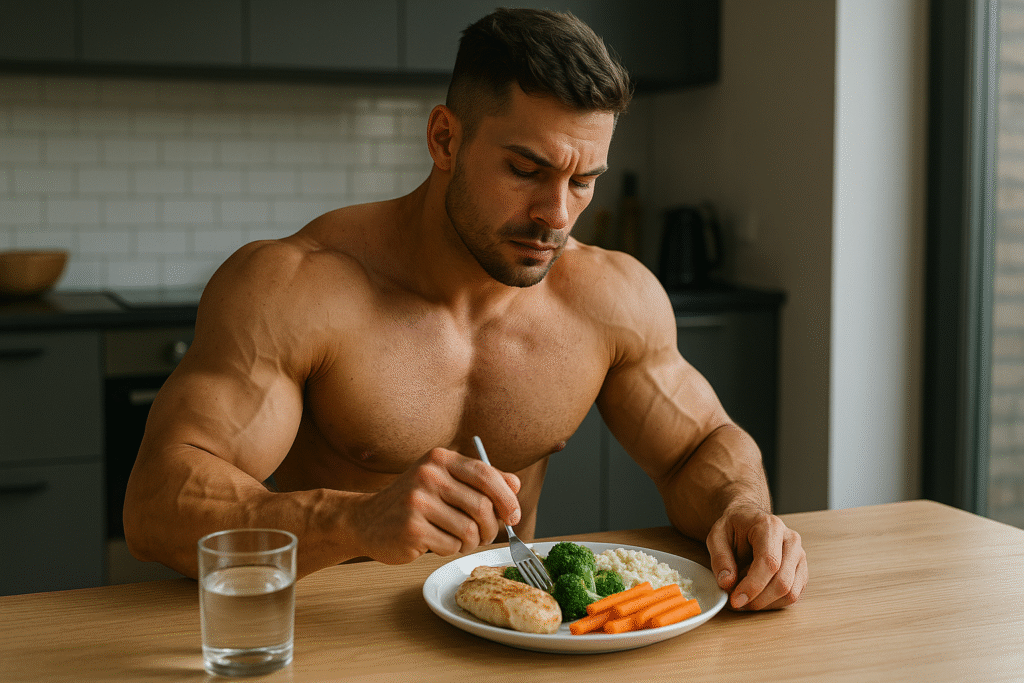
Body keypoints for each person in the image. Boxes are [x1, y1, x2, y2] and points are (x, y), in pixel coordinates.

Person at [124, 7, 807, 611]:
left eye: (583, 180)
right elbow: (157, 503)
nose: (556, 214)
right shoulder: (297, 286)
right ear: (445, 139)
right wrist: (354, 520)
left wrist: (741, 507)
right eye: (526, 169)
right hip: (339, 636)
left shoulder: (609, 296)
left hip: (512, 631)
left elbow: (698, 447)